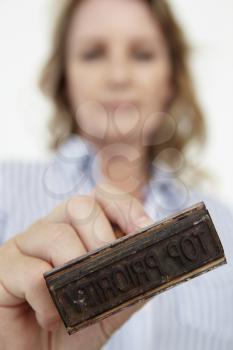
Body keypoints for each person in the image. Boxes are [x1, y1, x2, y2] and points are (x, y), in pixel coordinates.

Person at [0, 0, 233, 349]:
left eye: (142, 55)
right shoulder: (5, 189)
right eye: (93, 53)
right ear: (65, 79)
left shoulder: (226, 224)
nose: (118, 76)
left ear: (171, 79)